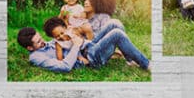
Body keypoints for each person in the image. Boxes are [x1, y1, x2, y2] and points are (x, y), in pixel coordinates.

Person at [16, 22, 150, 73]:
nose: (43, 42)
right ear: (30, 48)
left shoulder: (53, 40)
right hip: (91, 59)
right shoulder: (37, 57)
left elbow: (68, 38)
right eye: (38, 43)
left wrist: (77, 36)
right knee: (117, 34)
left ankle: (129, 60)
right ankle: (146, 64)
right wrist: (76, 47)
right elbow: (64, 66)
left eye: (41, 38)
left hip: (87, 48)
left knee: (114, 24)